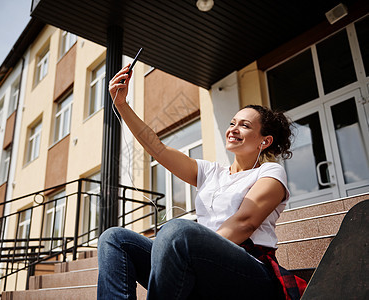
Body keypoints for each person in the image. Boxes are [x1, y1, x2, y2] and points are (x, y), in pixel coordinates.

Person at [97, 65, 306, 299]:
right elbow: (158, 148)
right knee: (114, 239)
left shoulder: (270, 172)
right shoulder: (210, 171)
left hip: (248, 271)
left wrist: (186, 244)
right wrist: (122, 105)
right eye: (232, 123)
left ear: (264, 141)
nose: (233, 130)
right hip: (198, 264)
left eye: (244, 126)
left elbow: (245, 223)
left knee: (176, 230)